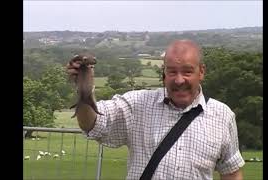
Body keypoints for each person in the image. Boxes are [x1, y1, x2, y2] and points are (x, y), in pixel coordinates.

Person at [66, 39, 245, 180]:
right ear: (164, 72)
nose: (179, 80)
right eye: (172, 71)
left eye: (187, 71)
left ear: (201, 72)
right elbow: (93, 124)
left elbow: (231, 172)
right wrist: (84, 88)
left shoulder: (222, 115)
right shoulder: (137, 104)